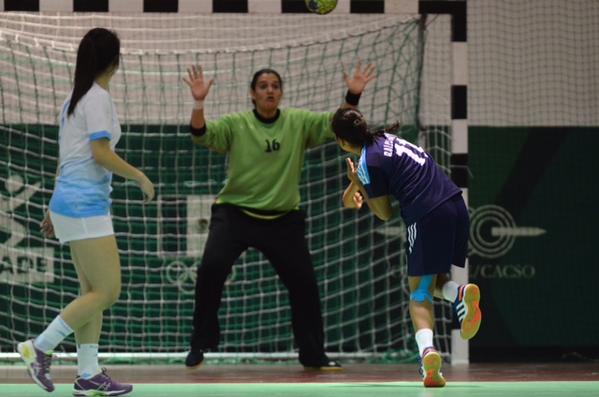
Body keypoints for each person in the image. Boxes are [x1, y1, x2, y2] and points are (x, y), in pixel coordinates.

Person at [182, 62, 376, 369]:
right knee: (210, 271)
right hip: (235, 214)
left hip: (283, 219)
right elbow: (200, 133)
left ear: (281, 93)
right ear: (252, 94)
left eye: (275, 85)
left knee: (305, 285)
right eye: (263, 86)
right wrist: (198, 102)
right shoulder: (237, 123)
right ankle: (199, 344)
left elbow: (339, 123)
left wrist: (352, 94)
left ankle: (314, 354)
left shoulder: (298, 121)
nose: (270, 90)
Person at [17, 27, 155, 396]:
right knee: (108, 291)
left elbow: (67, 159)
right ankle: (39, 347)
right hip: (83, 206)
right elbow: (100, 154)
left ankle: (89, 374)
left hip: (70, 203)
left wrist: (52, 205)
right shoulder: (96, 99)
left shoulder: (75, 100)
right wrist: (140, 176)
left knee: (91, 290)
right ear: (115, 61)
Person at [331, 108, 482, 387]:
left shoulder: (368, 163)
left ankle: (428, 356)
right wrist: (358, 183)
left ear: (342, 141)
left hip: (426, 214)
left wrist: (359, 183)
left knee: (419, 292)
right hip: (455, 204)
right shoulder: (387, 138)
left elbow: (384, 213)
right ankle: (458, 294)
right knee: (435, 280)